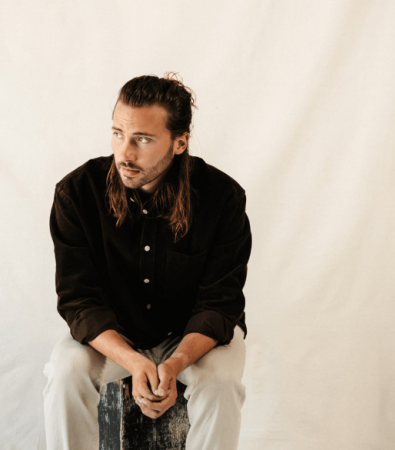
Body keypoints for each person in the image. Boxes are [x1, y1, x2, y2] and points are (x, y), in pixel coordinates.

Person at [43, 73, 252, 450]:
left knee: (221, 381)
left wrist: (175, 363)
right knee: (64, 372)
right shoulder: (77, 193)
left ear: (179, 142)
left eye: (142, 139)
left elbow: (220, 304)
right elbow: (79, 300)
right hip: (114, 335)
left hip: (192, 337)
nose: (125, 153)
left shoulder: (223, 198)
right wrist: (132, 360)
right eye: (118, 134)